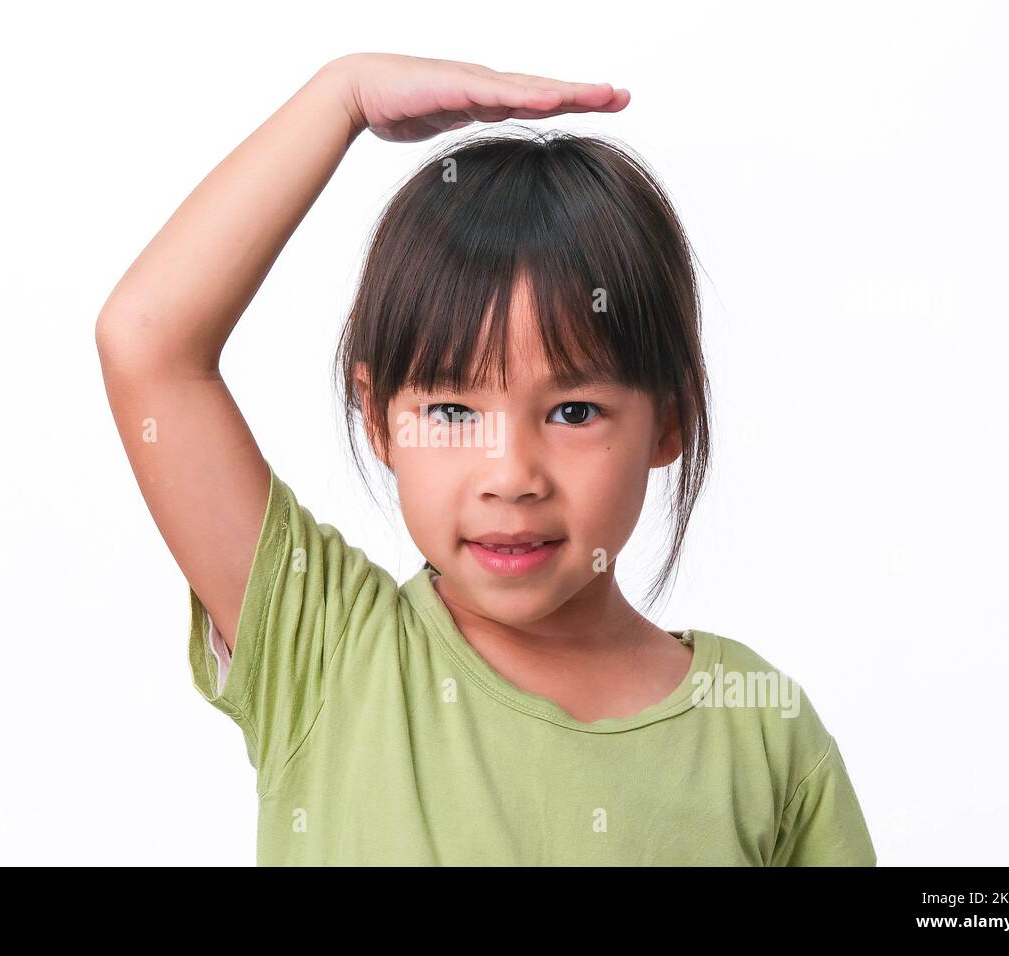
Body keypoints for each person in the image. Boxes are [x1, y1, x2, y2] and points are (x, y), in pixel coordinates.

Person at [95, 52, 876, 866]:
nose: (511, 476)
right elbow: (146, 341)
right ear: (380, 420)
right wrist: (343, 97)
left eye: (574, 411)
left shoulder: (759, 735)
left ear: (669, 421)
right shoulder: (326, 653)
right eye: (453, 411)